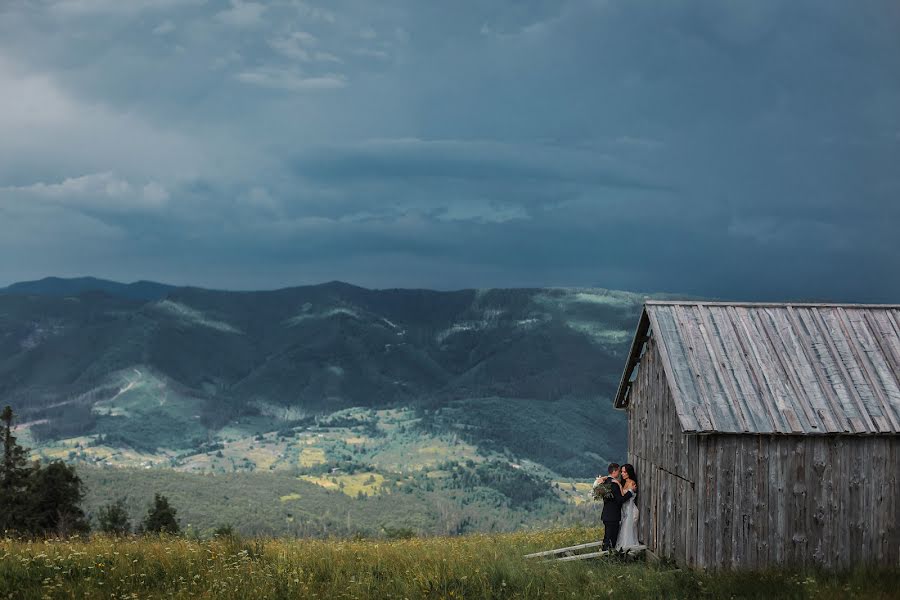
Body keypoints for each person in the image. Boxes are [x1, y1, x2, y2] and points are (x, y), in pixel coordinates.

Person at [597, 462, 632, 551]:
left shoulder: (604, 482)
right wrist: (630, 492)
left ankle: (604, 554)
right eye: (619, 471)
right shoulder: (614, 484)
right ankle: (609, 557)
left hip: (606, 514)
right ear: (615, 471)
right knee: (612, 539)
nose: (620, 473)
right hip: (613, 516)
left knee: (607, 537)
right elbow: (620, 500)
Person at [616, 463, 639, 549]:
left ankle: (627, 549)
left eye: (624, 472)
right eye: (621, 472)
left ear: (629, 472)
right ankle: (623, 549)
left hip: (631, 510)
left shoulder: (632, 483)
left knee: (627, 531)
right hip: (625, 510)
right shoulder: (623, 482)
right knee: (623, 530)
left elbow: (624, 497)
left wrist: (619, 485)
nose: (622, 473)